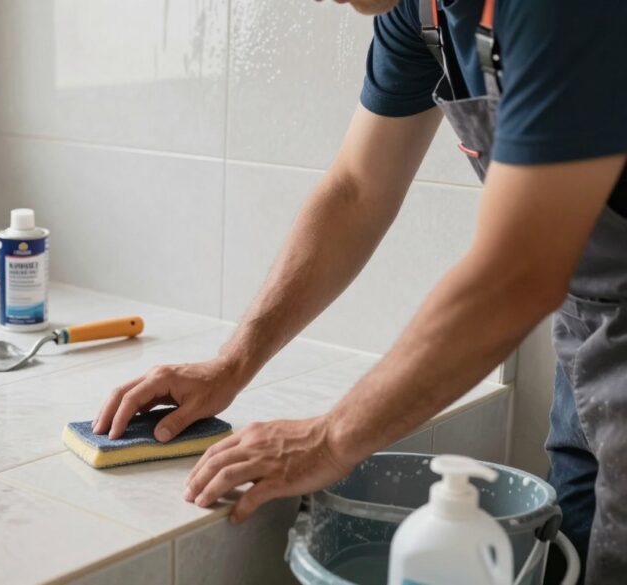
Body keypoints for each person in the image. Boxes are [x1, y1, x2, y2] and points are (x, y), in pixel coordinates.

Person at [92, 0, 627, 582]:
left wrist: (330, 440)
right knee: (578, 548)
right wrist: (232, 363)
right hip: (588, 339)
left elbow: (517, 271)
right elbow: (355, 191)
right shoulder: (420, 13)